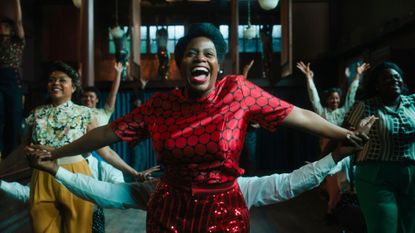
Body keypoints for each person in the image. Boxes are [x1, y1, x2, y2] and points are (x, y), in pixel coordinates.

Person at [29, 23, 368, 233]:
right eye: (191, 53)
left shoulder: (238, 92)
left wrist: (345, 136)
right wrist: (55, 157)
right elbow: (105, 135)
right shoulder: (161, 106)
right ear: (180, 63)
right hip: (168, 213)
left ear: (218, 64)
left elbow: (299, 115)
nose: (199, 58)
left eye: (208, 53)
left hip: (226, 213)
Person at [343, 61, 415, 233]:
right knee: (383, 226)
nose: (394, 81)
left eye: (397, 77)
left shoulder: (412, 103)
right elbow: (342, 135)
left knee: (408, 227)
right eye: (387, 79)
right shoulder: (365, 106)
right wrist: (324, 161)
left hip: (411, 175)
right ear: (376, 85)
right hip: (375, 174)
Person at [0, 0, 25, 158]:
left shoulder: (17, 41)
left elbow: (18, 21)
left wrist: (16, 2)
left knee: (14, 116)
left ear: (9, 29)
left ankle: (12, 153)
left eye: (4, 25)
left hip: (12, 79)